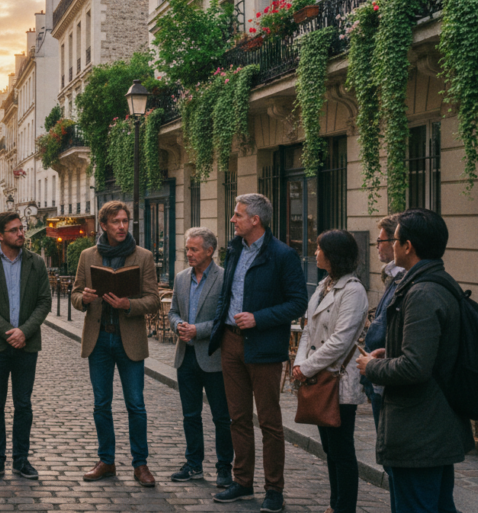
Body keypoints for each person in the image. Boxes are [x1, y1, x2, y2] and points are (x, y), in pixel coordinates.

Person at [357, 209, 473, 513]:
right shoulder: (434, 282)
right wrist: (389, 353)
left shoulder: (422, 292)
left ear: (408, 246)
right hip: (431, 424)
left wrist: (373, 367)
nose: (390, 246)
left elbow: (415, 366)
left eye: (394, 240)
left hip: (420, 427)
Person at [208, 193, 308, 512]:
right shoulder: (235, 249)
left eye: (238, 215)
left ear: (256, 220)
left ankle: (274, 489)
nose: (233, 219)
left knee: (269, 421)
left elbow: (297, 302)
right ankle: (242, 482)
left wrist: (258, 318)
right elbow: (230, 292)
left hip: (263, 345)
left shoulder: (283, 255)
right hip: (231, 342)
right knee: (237, 417)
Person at [70, 201, 159, 487]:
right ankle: (106, 461)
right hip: (99, 339)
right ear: (104, 225)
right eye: (116, 222)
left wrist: (127, 304)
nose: (122, 226)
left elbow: (154, 300)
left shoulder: (143, 257)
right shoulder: (87, 256)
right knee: (101, 404)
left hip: (128, 340)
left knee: (136, 404)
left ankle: (140, 465)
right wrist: (83, 298)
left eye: (125, 221)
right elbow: (74, 295)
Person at [0, 211, 52, 481]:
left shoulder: (36, 263)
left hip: (26, 345)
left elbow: (44, 302)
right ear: (0, 236)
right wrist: (10, 332)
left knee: (24, 405)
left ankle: (21, 460)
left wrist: (25, 332)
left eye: (22, 228)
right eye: (15, 230)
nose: (21, 233)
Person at [292, 230, 368, 513]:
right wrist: (300, 363)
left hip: (337, 380)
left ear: (333, 254)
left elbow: (340, 340)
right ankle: (335, 504)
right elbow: (309, 330)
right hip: (318, 377)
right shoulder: (324, 285)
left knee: (342, 451)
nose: (315, 253)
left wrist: (307, 367)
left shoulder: (353, 290)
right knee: (329, 451)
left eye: (319, 248)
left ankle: (344, 507)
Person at [166, 227, 233, 488]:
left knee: (221, 417)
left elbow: (224, 318)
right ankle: (193, 464)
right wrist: (178, 325)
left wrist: (198, 330)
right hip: (186, 357)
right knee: (190, 415)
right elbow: (172, 311)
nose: (189, 253)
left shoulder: (224, 278)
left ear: (209, 251)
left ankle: (224, 468)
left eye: (194, 249)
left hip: (213, 358)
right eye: (187, 248)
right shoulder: (181, 278)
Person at [361, 213, 403, 513]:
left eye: (382, 240)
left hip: (390, 380)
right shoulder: (393, 277)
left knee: (397, 462)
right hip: (378, 378)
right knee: (390, 460)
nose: (377, 246)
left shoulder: (408, 281)